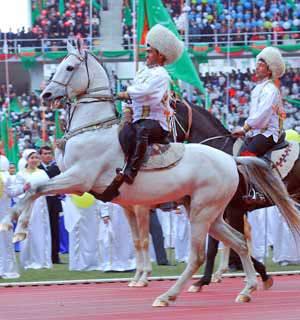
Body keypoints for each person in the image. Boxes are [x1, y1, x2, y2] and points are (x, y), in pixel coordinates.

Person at [117, 24, 184, 184]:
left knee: (142, 130)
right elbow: (137, 95)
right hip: (138, 119)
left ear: (160, 55)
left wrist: (127, 93)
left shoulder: (161, 74)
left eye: (149, 51)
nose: (146, 54)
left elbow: (147, 93)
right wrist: (127, 108)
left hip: (157, 124)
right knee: (124, 132)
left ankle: (131, 172)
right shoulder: (142, 72)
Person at [232, 46, 286, 156]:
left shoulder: (270, 89)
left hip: (267, 134)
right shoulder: (258, 88)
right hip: (255, 133)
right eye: (257, 65)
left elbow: (262, 115)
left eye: (261, 65)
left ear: (270, 70)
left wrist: (244, 128)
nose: (257, 68)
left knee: (244, 159)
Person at [11, 149, 52, 269]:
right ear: (27, 160)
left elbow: (49, 189)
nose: (34, 160)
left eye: (36, 157)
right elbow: (16, 192)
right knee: (27, 232)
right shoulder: (21, 174)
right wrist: (24, 188)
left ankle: (42, 260)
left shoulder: (43, 173)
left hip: (40, 205)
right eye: (32, 158)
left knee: (41, 232)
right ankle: (28, 261)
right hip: (27, 206)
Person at [38, 145, 63, 264]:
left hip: (54, 202)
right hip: (40, 202)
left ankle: (55, 256)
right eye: (45, 153)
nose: (48, 155)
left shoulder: (57, 168)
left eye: (49, 153)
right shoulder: (36, 169)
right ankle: (42, 256)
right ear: (40, 155)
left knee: (54, 230)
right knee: (41, 229)